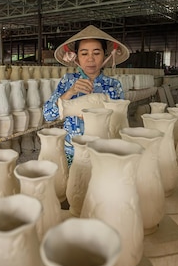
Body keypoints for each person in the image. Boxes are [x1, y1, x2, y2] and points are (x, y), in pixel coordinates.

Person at [43, 25, 130, 165]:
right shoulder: (68, 80)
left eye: (96, 53)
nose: (90, 59)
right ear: (76, 56)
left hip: (103, 151)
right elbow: (48, 115)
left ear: (105, 55)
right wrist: (70, 92)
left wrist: (98, 116)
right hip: (72, 152)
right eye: (84, 53)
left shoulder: (113, 85)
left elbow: (120, 122)